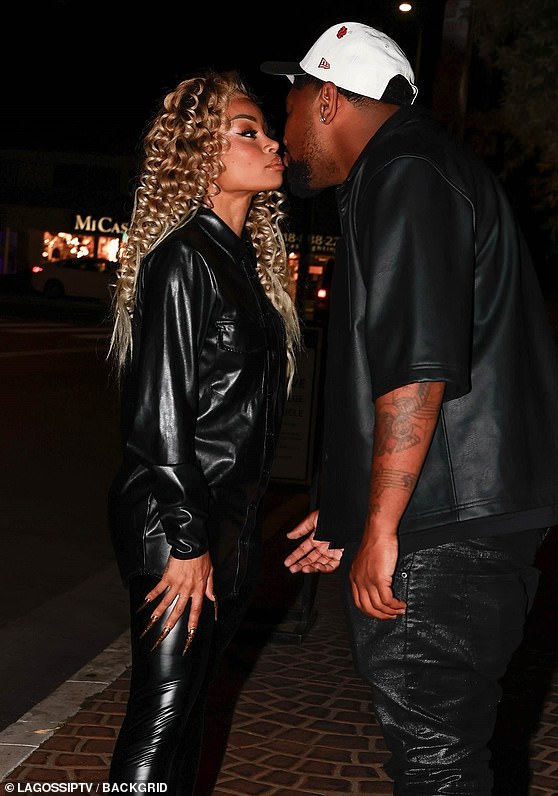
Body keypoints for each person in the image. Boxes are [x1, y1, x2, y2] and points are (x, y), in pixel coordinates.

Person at [261, 22, 558, 794]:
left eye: (291, 102)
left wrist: (382, 523)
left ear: (329, 98)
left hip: (445, 531)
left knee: (436, 760)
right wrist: (351, 511)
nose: (285, 128)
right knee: (440, 752)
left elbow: (416, 369)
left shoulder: (406, 171)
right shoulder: (416, 167)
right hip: (457, 516)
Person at [106, 69, 300, 791]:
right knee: (161, 715)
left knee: (190, 713)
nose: (271, 141)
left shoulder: (239, 261)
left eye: (265, 129)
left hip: (223, 518)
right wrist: (188, 542)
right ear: (200, 154)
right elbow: (156, 421)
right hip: (177, 521)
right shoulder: (186, 257)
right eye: (247, 132)